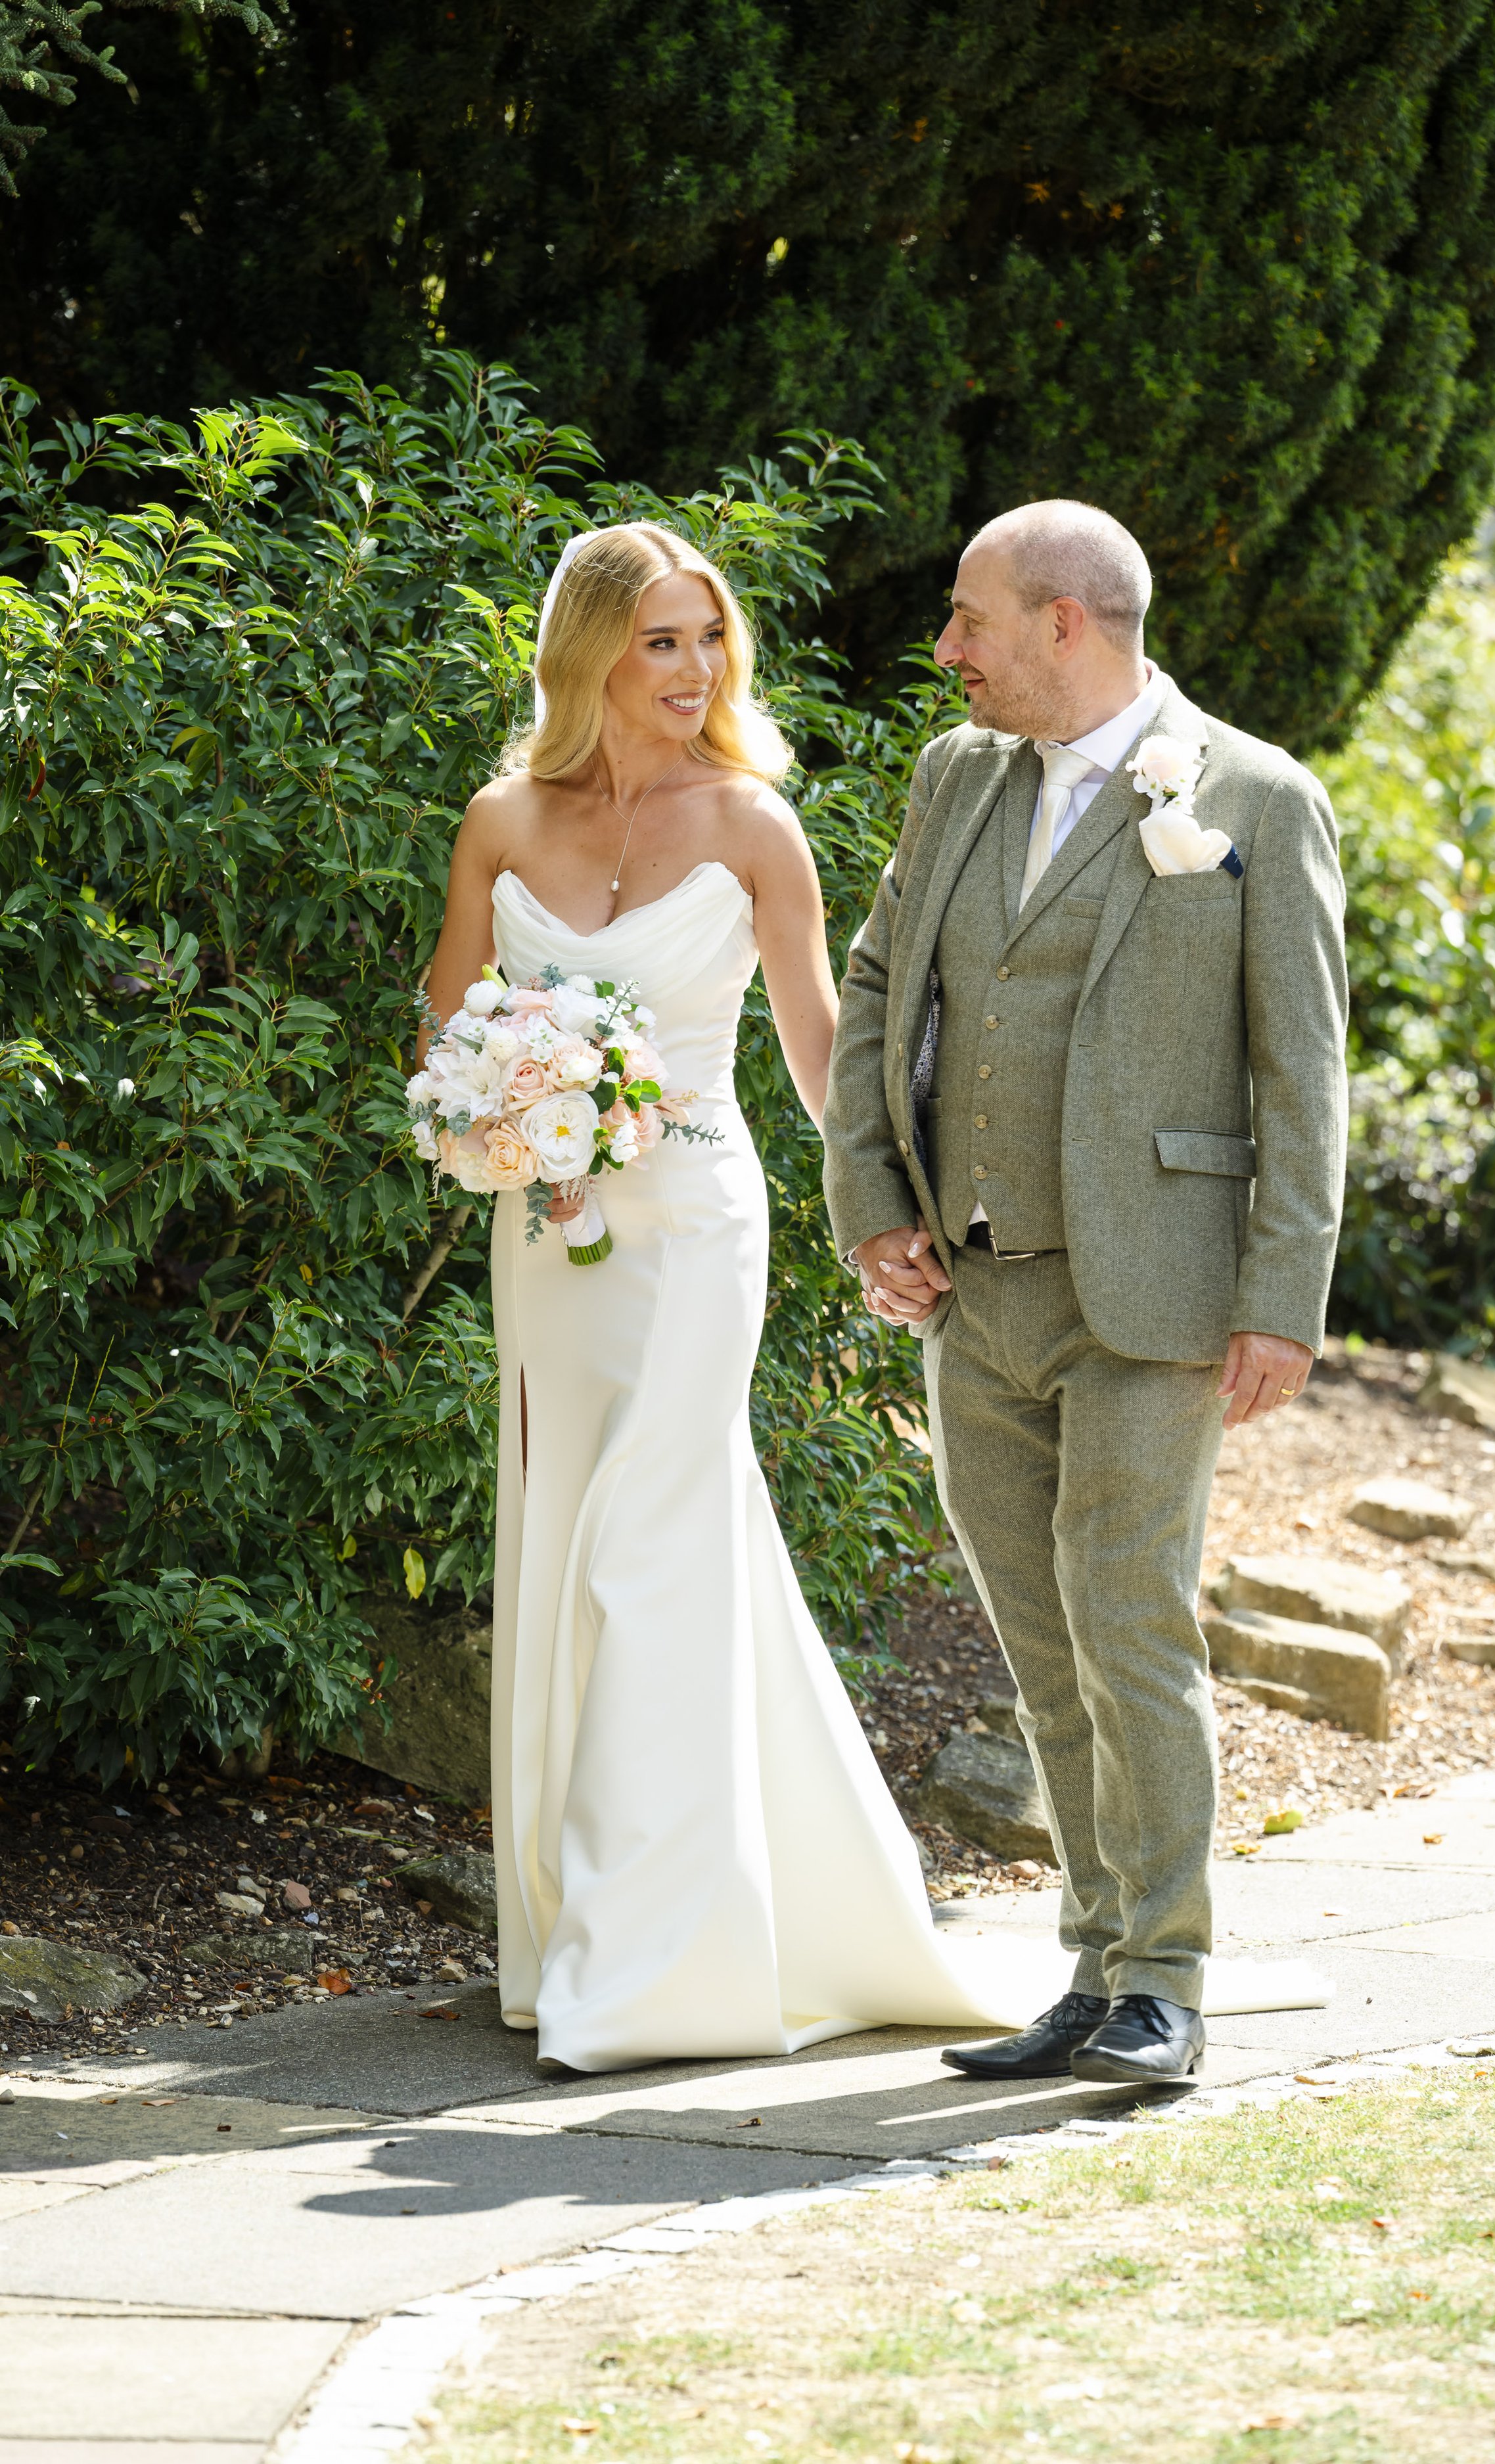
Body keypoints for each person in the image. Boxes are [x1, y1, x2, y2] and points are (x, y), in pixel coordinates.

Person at [421, 521, 1010, 2072]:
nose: (692, 672)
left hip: (691, 1221)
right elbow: (450, 1039)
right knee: (569, 1539)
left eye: (707, 641)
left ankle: (659, 1969)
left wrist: (890, 1214)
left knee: (649, 1543)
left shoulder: (754, 828)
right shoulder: (498, 819)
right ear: (589, 655)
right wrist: (495, 1115)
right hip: (548, 1240)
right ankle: (596, 1943)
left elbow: (822, 1056)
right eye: (660, 642)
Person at [822, 499, 1348, 2088]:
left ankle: (1166, 1981)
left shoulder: (1252, 794)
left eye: (969, 620)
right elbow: (874, 981)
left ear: (1064, 623)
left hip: (1158, 1296)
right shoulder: (954, 777)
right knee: (1037, 1644)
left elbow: (1302, 1067)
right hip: (971, 1293)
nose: (946, 651)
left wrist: (1283, 1295)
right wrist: (871, 1203)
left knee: (1128, 1627)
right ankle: (1090, 1964)